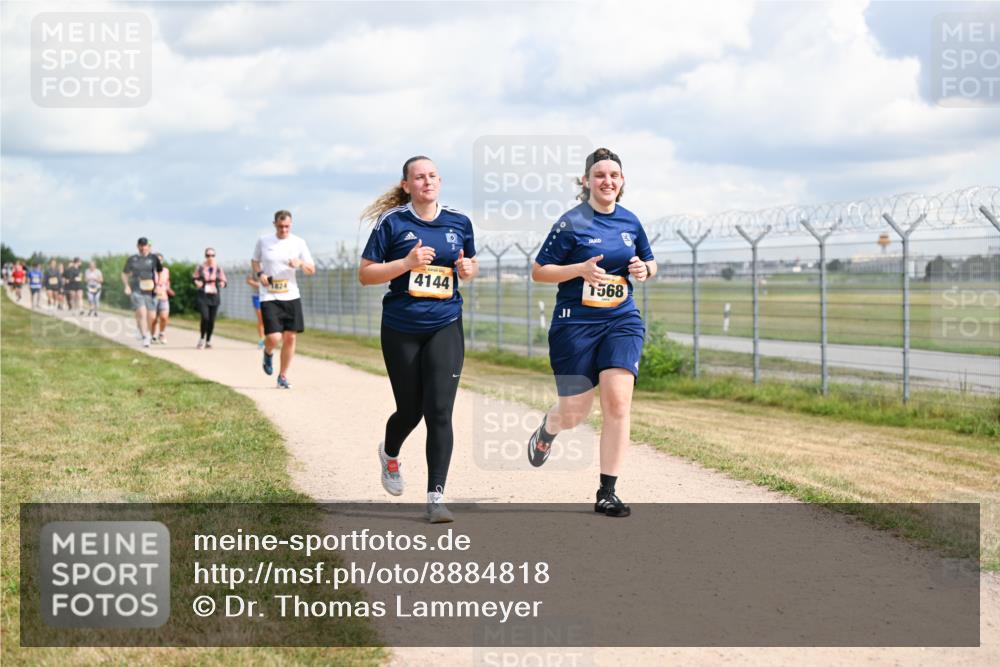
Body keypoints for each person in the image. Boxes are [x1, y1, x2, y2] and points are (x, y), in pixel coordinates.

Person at [527, 148, 657, 518]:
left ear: (622, 181)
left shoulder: (630, 222)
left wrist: (645, 269)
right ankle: (549, 428)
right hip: (575, 324)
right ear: (586, 182)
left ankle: (607, 491)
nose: (607, 181)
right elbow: (540, 271)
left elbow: (650, 261)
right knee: (574, 412)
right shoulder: (571, 222)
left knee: (618, 402)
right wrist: (579, 269)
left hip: (621, 320)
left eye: (614, 175)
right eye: (600, 175)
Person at [359, 155, 478, 523]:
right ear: (407, 185)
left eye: (432, 176)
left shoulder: (459, 222)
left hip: (445, 324)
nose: (426, 182)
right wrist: (406, 264)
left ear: (440, 182)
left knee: (439, 410)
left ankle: (435, 497)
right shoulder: (392, 222)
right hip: (401, 327)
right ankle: (390, 453)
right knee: (410, 410)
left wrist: (468, 270)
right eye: (418, 177)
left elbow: (467, 267)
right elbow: (367, 274)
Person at [252, 212, 314, 385]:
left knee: (291, 337)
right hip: (269, 295)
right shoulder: (264, 241)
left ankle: (283, 376)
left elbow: (311, 269)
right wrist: (260, 273)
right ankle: (268, 352)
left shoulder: (299, 242)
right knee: (273, 337)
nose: (283, 229)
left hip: (291, 295)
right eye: (280, 226)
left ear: (291, 224)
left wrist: (300, 264)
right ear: (274, 224)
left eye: (287, 226)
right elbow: (255, 261)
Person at [121, 237, 162, 347]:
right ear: (137, 246)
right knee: (142, 312)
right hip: (136, 289)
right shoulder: (132, 259)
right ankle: (145, 336)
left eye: (145, 245)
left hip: (151, 290)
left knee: (152, 316)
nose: (143, 247)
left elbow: (160, 272)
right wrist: (126, 286)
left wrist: (158, 285)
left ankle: (146, 332)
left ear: (149, 246)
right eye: (141, 245)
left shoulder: (154, 258)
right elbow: (124, 273)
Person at [193, 248, 228, 349]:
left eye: (212, 255)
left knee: (211, 320)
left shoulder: (218, 268)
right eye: (208, 255)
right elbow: (194, 277)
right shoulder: (200, 267)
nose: (210, 257)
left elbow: (224, 280)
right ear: (205, 256)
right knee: (205, 317)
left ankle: (208, 340)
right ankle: (202, 338)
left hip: (214, 295)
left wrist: (222, 283)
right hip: (203, 295)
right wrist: (197, 282)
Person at [150, 253, 174, 343]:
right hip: (153, 296)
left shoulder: (166, 270)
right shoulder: (150, 270)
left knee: (164, 317)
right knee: (153, 318)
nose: (159, 261)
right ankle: (152, 336)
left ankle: (162, 334)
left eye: (160, 259)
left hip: (163, 296)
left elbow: (167, 282)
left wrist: (169, 289)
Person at [245, 273, 266, 348]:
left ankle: (270, 338)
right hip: (257, 296)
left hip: (269, 296)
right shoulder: (254, 270)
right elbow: (248, 281)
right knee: (261, 319)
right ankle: (262, 339)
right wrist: (260, 285)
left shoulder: (270, 267)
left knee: (268, 318)